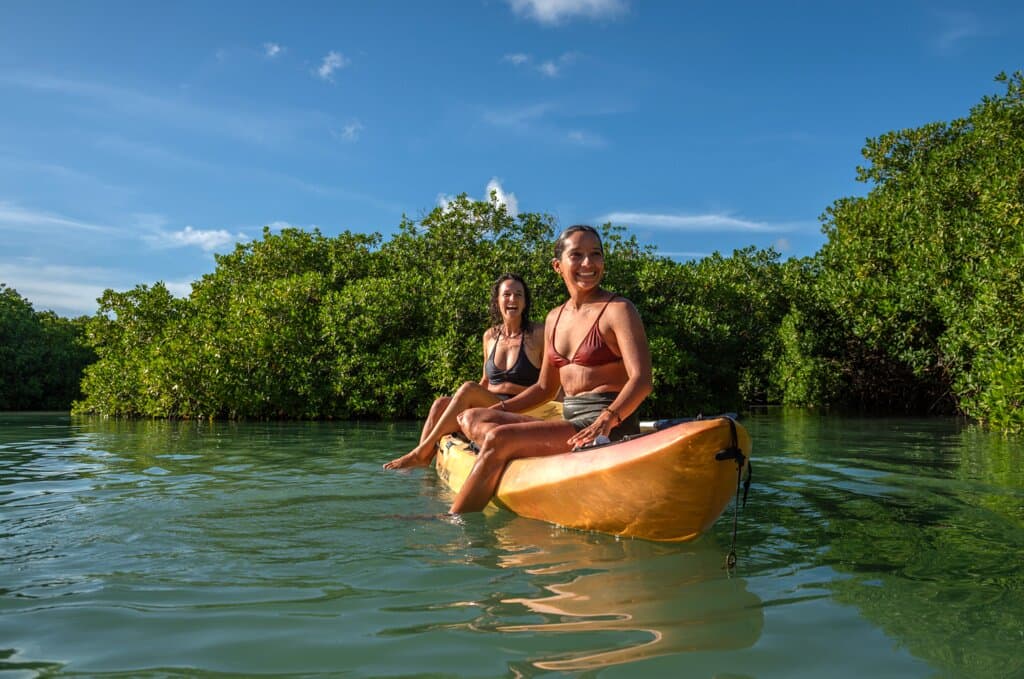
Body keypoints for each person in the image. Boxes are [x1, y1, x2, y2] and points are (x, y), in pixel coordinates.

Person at [450, 225, 652, 513]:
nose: (588, 264)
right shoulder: (554, 318)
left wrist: (607, 419)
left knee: (497, 437)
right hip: (570, 424)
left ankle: (453, 521)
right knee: (471, 418)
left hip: (609, 426)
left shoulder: (619, 309)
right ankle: (521, 462)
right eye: (577, 255)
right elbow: (545, 389)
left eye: (596, 254)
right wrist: (500, 411)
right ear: (557, 266)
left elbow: (642, 380)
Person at [383, 273, 544, 470]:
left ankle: (420, 453)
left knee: (468, 388)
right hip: (492, 402)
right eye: (507, 294)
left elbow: (547, 385)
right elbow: (485, 380)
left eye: (519, 295)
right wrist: (473, 398)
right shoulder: (490, 336)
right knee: (440, 404)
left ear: (525, 302)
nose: (513, 300)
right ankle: (424, 459)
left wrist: (501, 388)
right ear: (497, 301)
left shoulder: (538, 334)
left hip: (520, 406)